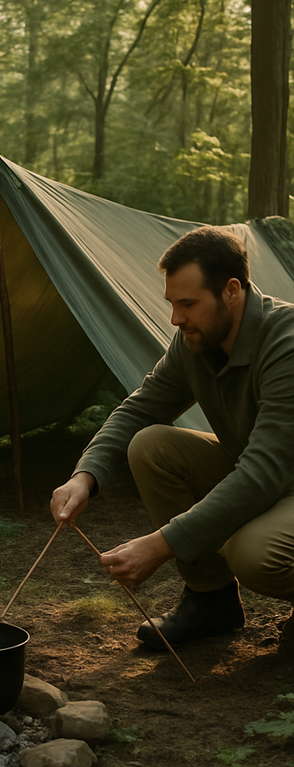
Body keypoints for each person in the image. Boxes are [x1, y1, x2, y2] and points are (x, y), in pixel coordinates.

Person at [50, 225, 294, 650]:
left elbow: (263, 472)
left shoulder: (286, 342)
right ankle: (210, 600)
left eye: (188, 304)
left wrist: (161, 545)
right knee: (151, 445)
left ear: (232, 291)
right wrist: (84, 476)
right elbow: (140, 408)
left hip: (277, 476)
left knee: (256, 553)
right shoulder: (195, 341)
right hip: (271, 477)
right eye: (172, 304)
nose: (175, 319)